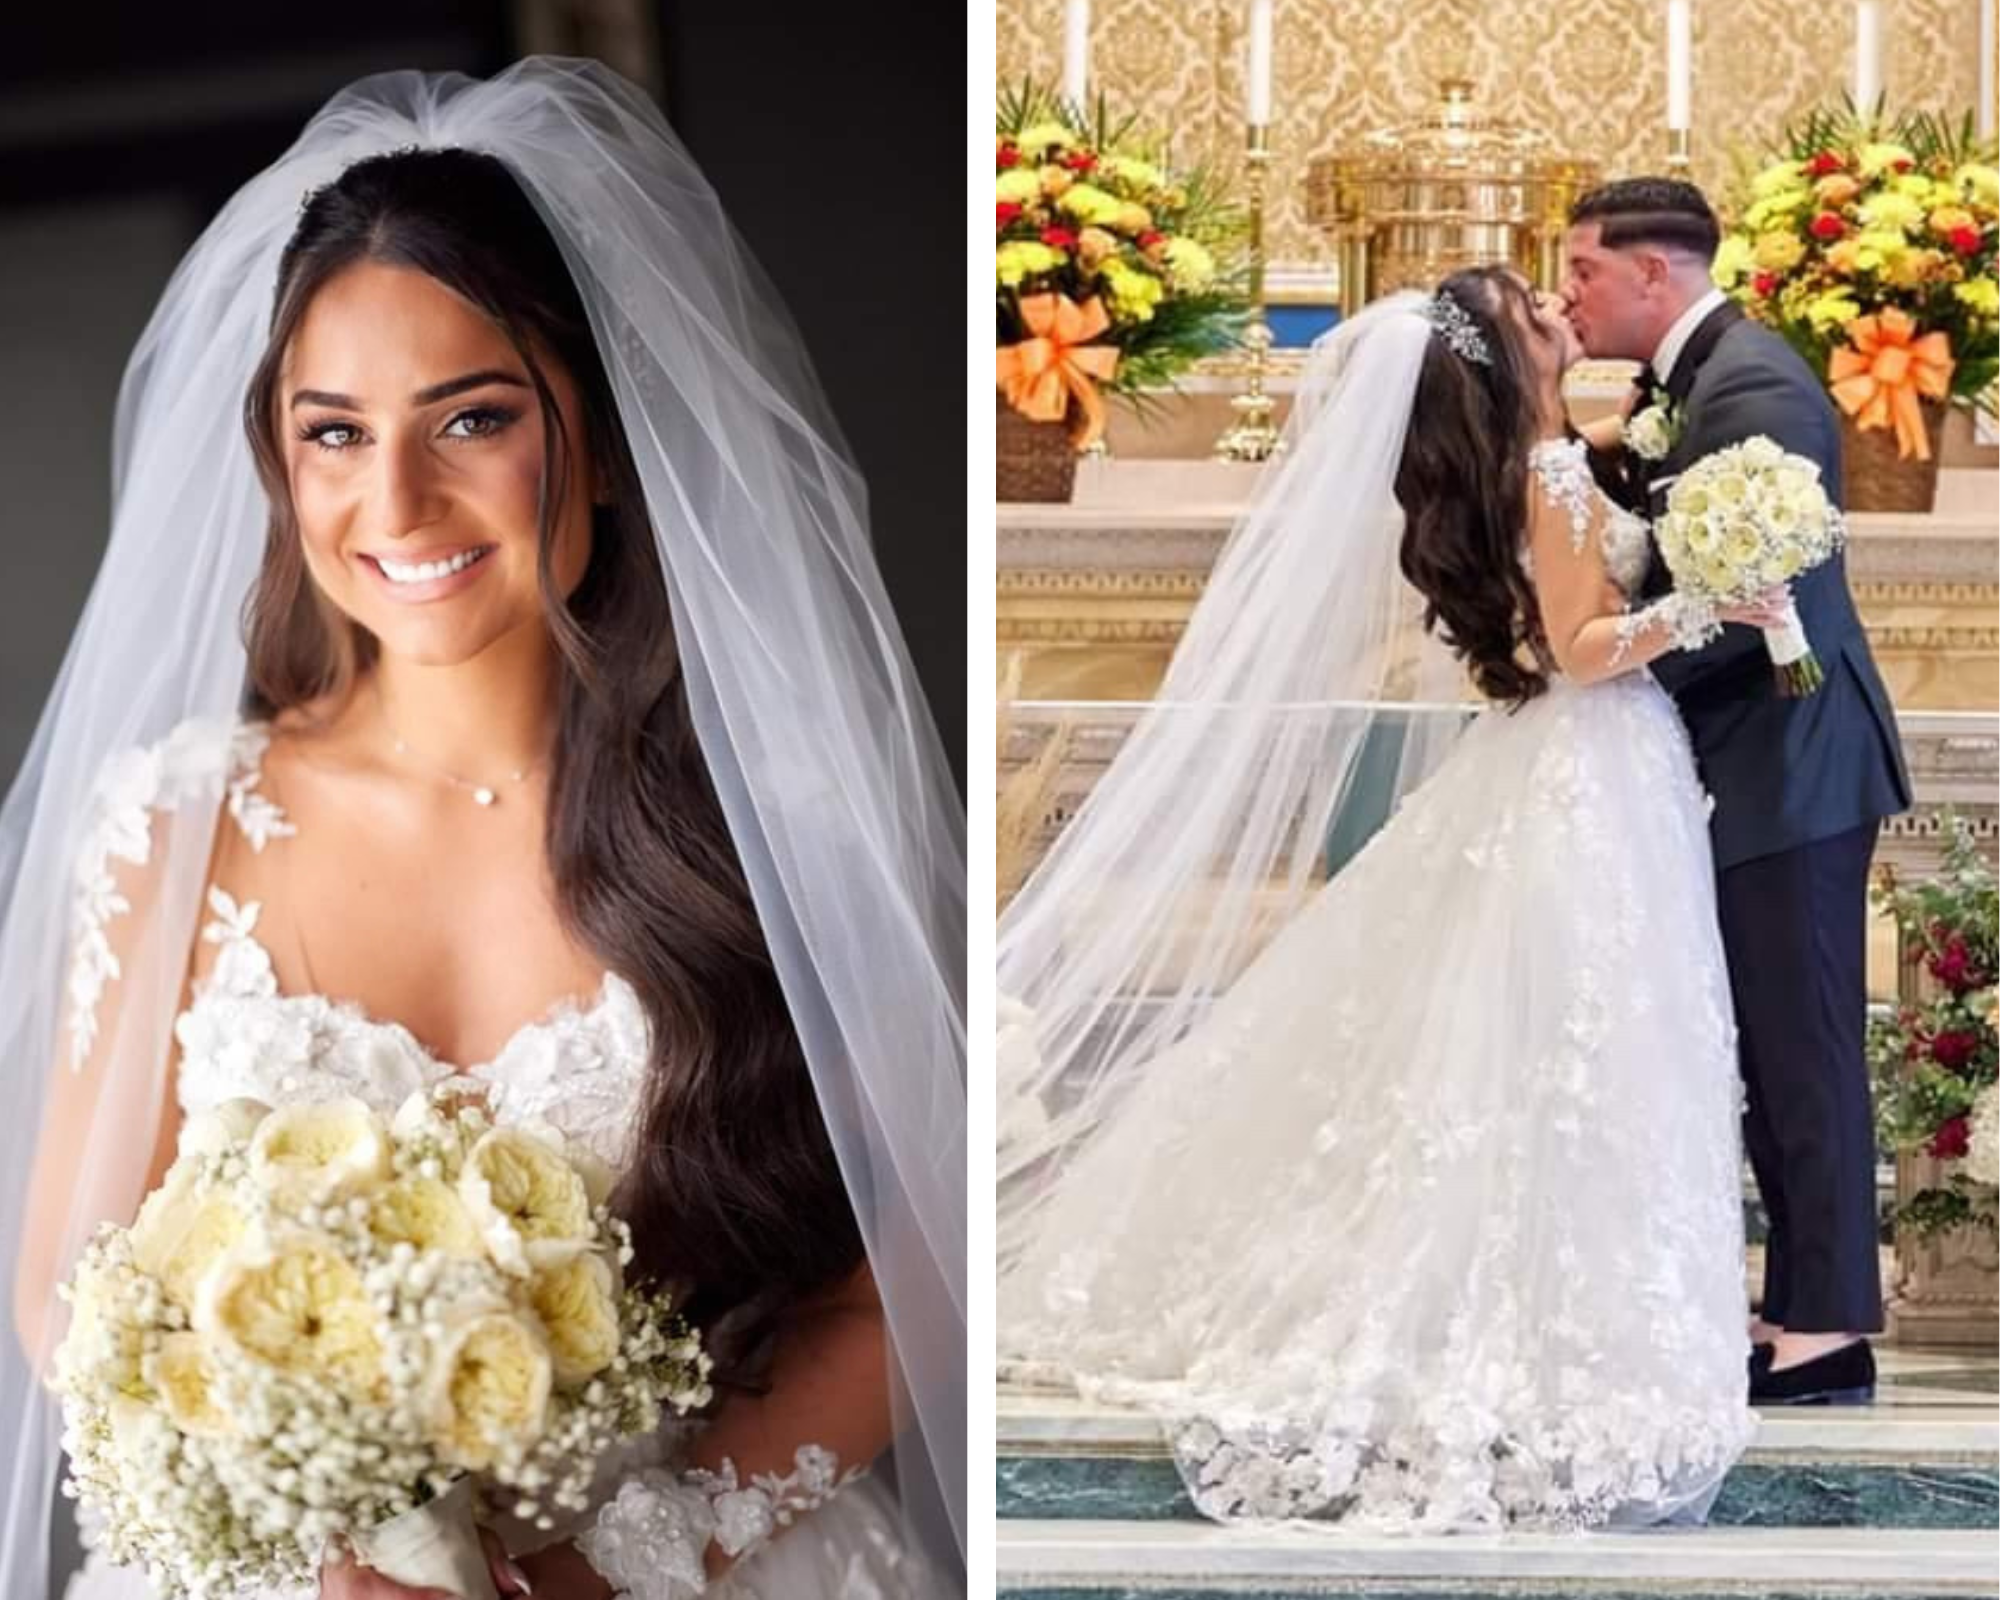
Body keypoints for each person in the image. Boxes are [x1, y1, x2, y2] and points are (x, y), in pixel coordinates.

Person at [0, 59, 964, 1600]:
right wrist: (310, 1532)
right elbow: (68, 1295)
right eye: (333, 432)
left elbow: (906, 1286)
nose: (397, 500)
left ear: (597, 432)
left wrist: (607, 1570)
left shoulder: (757, 827)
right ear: (278, 458)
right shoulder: (179, 821)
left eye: (471, 419)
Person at [996, 268, 1780, 1533]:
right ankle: (1556, 1314)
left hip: (1550, 774)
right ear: (1503, 351)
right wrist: (1710, 606)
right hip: (1594, 769)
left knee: (1534, 1050)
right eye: (1537, 307)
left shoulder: (1516, 471)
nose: (1558, 315)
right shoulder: (1554, 473)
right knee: (1588, 1046)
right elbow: (1581, 652)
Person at [1563, 177, 1910, 1405]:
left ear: (1651, 273)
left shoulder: (1752, 388)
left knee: (1802, 1032)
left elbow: (1761, 609)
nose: (1568, 293)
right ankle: (1791, 1306)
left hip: (1790, 752)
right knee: (1765, 1034)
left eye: (1582, 272)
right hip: (1752, 758)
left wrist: (1605, 664)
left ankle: (1825, 1327)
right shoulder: (1687, 385)